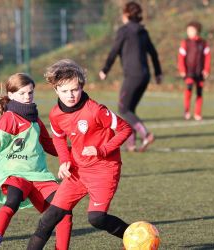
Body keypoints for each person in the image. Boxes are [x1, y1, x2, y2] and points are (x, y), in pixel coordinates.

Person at [26, 59, 133, 249]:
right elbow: (58, 138)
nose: (70, 95)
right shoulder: (55, 114)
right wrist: (65, 161)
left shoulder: (95, 110)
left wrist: (102, 150)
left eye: (74, 89)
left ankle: (136, 235)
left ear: (81, 87)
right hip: (77, 171)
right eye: (65, 91)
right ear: (56, 90)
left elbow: (125, 129)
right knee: (49, 219)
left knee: (97, 218)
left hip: (104, 170)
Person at [0, 73, 73, 250]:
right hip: (15, 173)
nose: (27, 97)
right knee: (13, 201)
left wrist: (72, 154)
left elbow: (50, 145)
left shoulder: (36, 120)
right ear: (11, 95)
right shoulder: (10, 118)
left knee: (64, 212)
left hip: (39, 175)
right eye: (22, 93)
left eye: (30, 93)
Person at [99, 1, 162, 152]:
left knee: (123, 108)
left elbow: (114, 50)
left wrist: (105, 69)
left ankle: (145, 134)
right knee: (130, 109)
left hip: (133, 76)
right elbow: (153, 53)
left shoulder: (124, 31)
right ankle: (131, 143)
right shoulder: (143, 31)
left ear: (126, 14)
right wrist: (158, 73)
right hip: (144, 76)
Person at [178, 21, 211, 121]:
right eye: (188, 30)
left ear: (197, 31)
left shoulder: (203, 43)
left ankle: (197, 113)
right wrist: (182, 69)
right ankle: (187, 111)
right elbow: (181, 57)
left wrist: (206, 70)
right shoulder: (185, 43)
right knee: (188, 89)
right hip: (189, 72)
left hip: (200, 72)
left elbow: (207, 57)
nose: (189, 32)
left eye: (191, 30)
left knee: (199, 93)